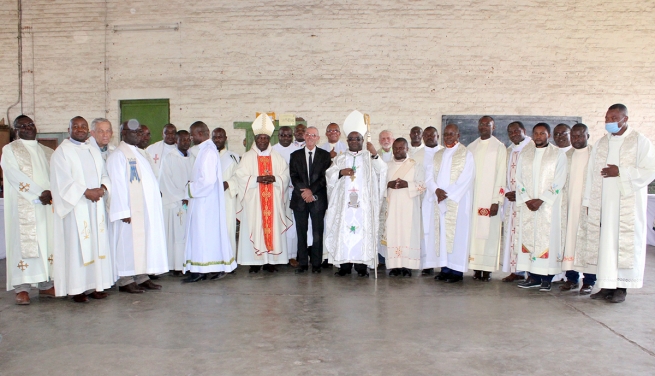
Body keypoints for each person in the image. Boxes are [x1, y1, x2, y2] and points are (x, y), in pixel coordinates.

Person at [579, 104, 655, 303]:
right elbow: (591, 175)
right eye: (607, 118)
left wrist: (620, 171)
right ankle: (605, 285)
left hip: (626, 205)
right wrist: (588, 201)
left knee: (622, 244)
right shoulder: (601, 143)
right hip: (603, 204)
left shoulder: (640, 141)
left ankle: (621, 288)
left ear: (625, 119)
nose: (609, 121)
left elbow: (650, 170)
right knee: (605, 245)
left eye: (614, 117)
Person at [50, 116, 114, 303]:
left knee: (96, 245)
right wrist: (85, 192)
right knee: (77, 247)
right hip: (75, 208)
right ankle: (76, 288)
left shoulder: (92, 151)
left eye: (83, 126)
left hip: (95, 207)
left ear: (88, 130)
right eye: (75, 126)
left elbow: (104, 174)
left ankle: (95, 285)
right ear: (68, 129)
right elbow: (61, 181)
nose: (79, 129)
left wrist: (102, 188)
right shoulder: (61, 152)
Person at [106, 119, 168, 293]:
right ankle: (125, 280)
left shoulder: (139, 153)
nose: (138, 135)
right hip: (129, 212)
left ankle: (141, 276)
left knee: (142, 244)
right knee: (127, 244)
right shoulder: (118, 155)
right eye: (134, 132)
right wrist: (123, 211)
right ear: (123, 133)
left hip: (144, 210)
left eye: (139, 132)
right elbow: (117, 185)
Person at [324, 110, 387, 277]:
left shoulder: (369, 157)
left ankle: (361, 266)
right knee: (344, 231)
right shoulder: (340, 158)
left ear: (362, 140)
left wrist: (374, 154)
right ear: (347, 141)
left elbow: (382, 172)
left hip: (363, 206)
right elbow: (329, 175)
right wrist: (339, 173)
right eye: (351, 139)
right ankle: (344, 266)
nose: (353, 141)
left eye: (357, 139)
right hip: (344, 206)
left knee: (362, 233)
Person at [1, 115, 55, 305]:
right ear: (15, 131)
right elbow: (13, 174)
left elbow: (56, 176)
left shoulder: (46, 151)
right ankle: (22, 288)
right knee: (23, 245)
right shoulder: (10, 150)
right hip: (25, 205)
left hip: (46, 205)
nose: (27, 128)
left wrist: (52, 192)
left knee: (47, 243)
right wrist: (39, 193)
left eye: (30, 124)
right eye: (21, 126)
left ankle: (46, 284)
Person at [235, 114, 293, 273]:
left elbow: (286, 176)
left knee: (271, 227)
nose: (262, 141)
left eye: (265, 138)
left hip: (272, 202)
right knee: (255, 226)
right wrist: (257, 179)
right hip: (254, 202)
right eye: (259, 138)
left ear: (269, 139)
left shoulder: (277, 157)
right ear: (255, 138)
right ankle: (255, 261)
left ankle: (270, 262)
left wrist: (275, 178)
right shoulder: (247, 157)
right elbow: (240, 176)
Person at [515, 123, 567, 292]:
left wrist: (542, 200)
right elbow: (519, 179)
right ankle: (533, 277)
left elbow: (559, 180)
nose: (538, 136)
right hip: (529, 205)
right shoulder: (526, 153)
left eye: (542, 133)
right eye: (536, 133)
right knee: (529, 239)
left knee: (547, 240)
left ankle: (547, 278)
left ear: (549, 135)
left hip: (548, 207)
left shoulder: (557, 154)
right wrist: (527, 199)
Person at [182, 121, 237, 282]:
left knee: (203, 235)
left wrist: (190, 188)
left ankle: (201, 269)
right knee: (203, 236)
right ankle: (202, 268)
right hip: (204, 201)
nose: (191, 138)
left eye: (192, 135)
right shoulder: (206, 150)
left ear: (199, 134)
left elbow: (207, 181)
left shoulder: (207, 153)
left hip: (205, 202)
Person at [427, 124, 475, 283]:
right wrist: (436, 190)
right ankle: (444, 269)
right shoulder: (438, 154)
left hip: (457, 202)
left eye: (451, 134)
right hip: (439, 200)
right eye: (446, 134)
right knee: (441, 235)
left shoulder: (466, 154)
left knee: (457, 236)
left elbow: (466, 179)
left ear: (458, 135)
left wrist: (446, 193)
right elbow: (429, 177)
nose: (448, 136)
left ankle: (456, 271)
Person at [467, 116, 507, 281]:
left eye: (487, 124)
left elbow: (502, 173)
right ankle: (476, 268)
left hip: (489, 198)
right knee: (474, 233)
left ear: (494, 127)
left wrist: (497, 199)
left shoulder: (499, 147)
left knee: (489, 233)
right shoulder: (471, 147)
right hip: (473, 198)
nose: (484, 127)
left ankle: (487, 269)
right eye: (481, 124)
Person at [289, 126, 331, 274]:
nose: (310, 137)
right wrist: (305, 192)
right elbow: (294, 176)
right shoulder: (295, 155)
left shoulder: (325, 156)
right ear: (304, 137)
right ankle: (302, 264)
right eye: (308, 134)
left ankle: (317, 264)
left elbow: (324, 177)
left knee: (317, 232)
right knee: (301, 232)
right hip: (300, 199)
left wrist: (311, 191)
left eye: (314, 135)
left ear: (318, 138)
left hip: (317, 199)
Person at [559, 123, 595, 294]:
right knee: (570, 241)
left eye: (580, 135)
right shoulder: (567, 156)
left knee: (588, 244)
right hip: (569, 206)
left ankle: (589, 281)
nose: (576, 139)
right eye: (573, 136)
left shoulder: (595, 155)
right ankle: (571, 278)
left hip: (588, 207)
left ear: (588, 136)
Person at [382, 138, 425, 277]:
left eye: (401, 148)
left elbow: (423, 185)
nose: (398, 150)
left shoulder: (415, 165)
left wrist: (407, 184)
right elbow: (379, 185)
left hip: (409, 208)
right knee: (394, 234)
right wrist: (388, 184)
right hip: (392, 207)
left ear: (407, 149)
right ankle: (395, 266)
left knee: (408, 235)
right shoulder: (386, 166)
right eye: (396, 148)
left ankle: (407, 266)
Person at [159, 130, 194, 276]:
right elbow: (165, 181)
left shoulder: (193, 157)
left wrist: (190, 195)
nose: (186, 142)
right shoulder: (169, 158)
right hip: (175, 203)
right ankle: (176, 266)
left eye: (188, 139)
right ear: (176, 141)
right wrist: (182, 196)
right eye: (182, 140)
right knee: (176, 236)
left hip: (191, 202)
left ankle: (188, 263)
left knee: (188, 235)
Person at [500, 121, 531, 282]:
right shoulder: (509, 150)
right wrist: (506, 192)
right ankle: (516, 271)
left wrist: (520, 195)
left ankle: (530, 272)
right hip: (511, 201)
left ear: (524, 131)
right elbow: (503, 174)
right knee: (512, 237)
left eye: (516, 131)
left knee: (526, 235)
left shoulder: (532, 147)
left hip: (527, 201)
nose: (513, 134)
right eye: (510, 132)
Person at [412, 126, 443, 276]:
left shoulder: (445, 152)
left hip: (442, 199)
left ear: (438, 136)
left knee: (442, 231)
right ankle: (427, 264)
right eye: (427, 135)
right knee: (425, 232)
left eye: (433, 135)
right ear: (423, 137)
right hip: (423, 200)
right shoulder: (417, 155)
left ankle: (443, 263)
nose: (430, 137)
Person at [272, 126, 302, 267]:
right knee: (277, 224)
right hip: (275, 192)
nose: (285, 138)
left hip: (292, 192)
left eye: (288, 135)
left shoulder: (297, 151)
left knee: (292, 225)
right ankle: (276, 255)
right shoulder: (272, 150)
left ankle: (291, 255)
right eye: (283, 135)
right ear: (278, 135)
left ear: (292, 136)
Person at [212, 127, 240, 257]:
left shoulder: (232, 157)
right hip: (210, 199)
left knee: (227, 228)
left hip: (227, 197)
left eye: (220, 137)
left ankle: (229, 259)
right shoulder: (207, 155)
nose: (218, 139)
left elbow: (239, 176)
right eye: (215, 137)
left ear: (225, 139)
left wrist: (228, 183)